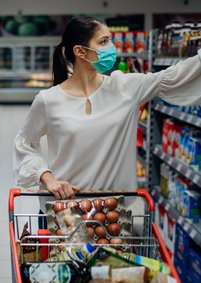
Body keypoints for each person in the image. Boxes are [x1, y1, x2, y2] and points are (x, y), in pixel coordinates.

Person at [13, 16, 201, 227]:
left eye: (110, 40)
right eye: (103, 42)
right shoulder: (48, 100)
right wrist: (46, 177)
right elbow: (24, 143)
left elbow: (176, 76)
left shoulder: (126, 88)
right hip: (64, 209)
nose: (112, 47)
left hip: (114, 212)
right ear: (80, 51)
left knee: (115, 261)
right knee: (64, 261)